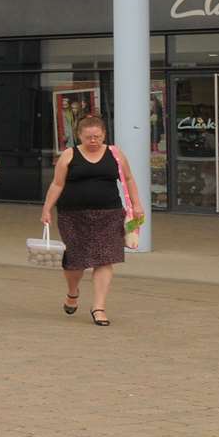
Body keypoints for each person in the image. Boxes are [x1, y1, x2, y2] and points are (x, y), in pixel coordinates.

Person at [40, 114, 139, 327]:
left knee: (105, 258)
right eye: (88, 137)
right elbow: (57, 184)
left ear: (104, 134)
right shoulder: (69, 155)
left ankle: (99, 307)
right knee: (76, 259)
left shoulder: (115, 154)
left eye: (97, 136)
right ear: (79, 136)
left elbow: (128, 179)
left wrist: (137, 206)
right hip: (73, 215)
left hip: (109, 214)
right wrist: (46, 209)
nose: (93, 141)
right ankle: (73, 292)